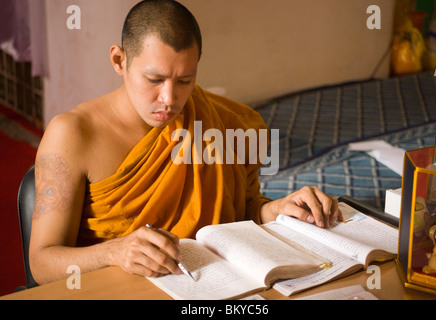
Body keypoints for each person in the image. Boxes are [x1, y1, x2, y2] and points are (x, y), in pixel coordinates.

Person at [29, 0, 342, 285]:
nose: (169, 99)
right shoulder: (72, 135)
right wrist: (113, 252)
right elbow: (42, 264)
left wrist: (279, 210)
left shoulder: (223, 121)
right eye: (154, 80)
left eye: (184, 81)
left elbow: (243, 211)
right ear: (119, 60)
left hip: (216, 287)